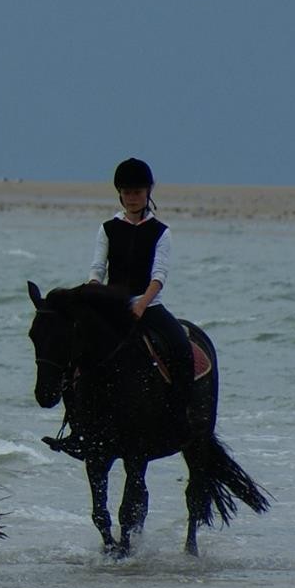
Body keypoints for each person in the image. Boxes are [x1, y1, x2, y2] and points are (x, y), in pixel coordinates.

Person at [89, 156, 207, 434]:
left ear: (147, 193)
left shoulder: (160, 232)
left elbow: (159, 276)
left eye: (137, 192)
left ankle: (179, 416)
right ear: (119, 193)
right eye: (127, 192)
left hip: (150, 306)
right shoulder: (107, 229)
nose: (132, 198)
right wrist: (94, 292)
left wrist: (141, 304)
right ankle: (79, 420)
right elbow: (97, 269)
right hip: (114, 308)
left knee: (180, 347)